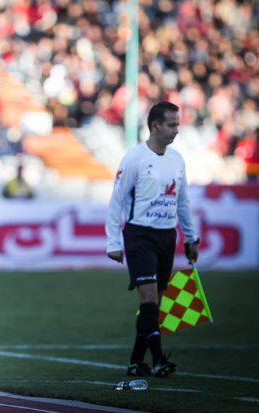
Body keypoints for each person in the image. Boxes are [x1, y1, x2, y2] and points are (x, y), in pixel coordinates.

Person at [105, 102, 200, 378]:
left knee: (153, 304)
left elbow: (183, 202)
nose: (176, 130)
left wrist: (191, 238)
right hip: (139, 235)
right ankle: (158, 359)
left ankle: (136, 361)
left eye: (177, 124)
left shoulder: (177, 159)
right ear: (155, 125)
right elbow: (116, 202)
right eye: (171, 124)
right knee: (148, 296)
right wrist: (113, 243)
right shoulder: (134, 158)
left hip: (166, 236)